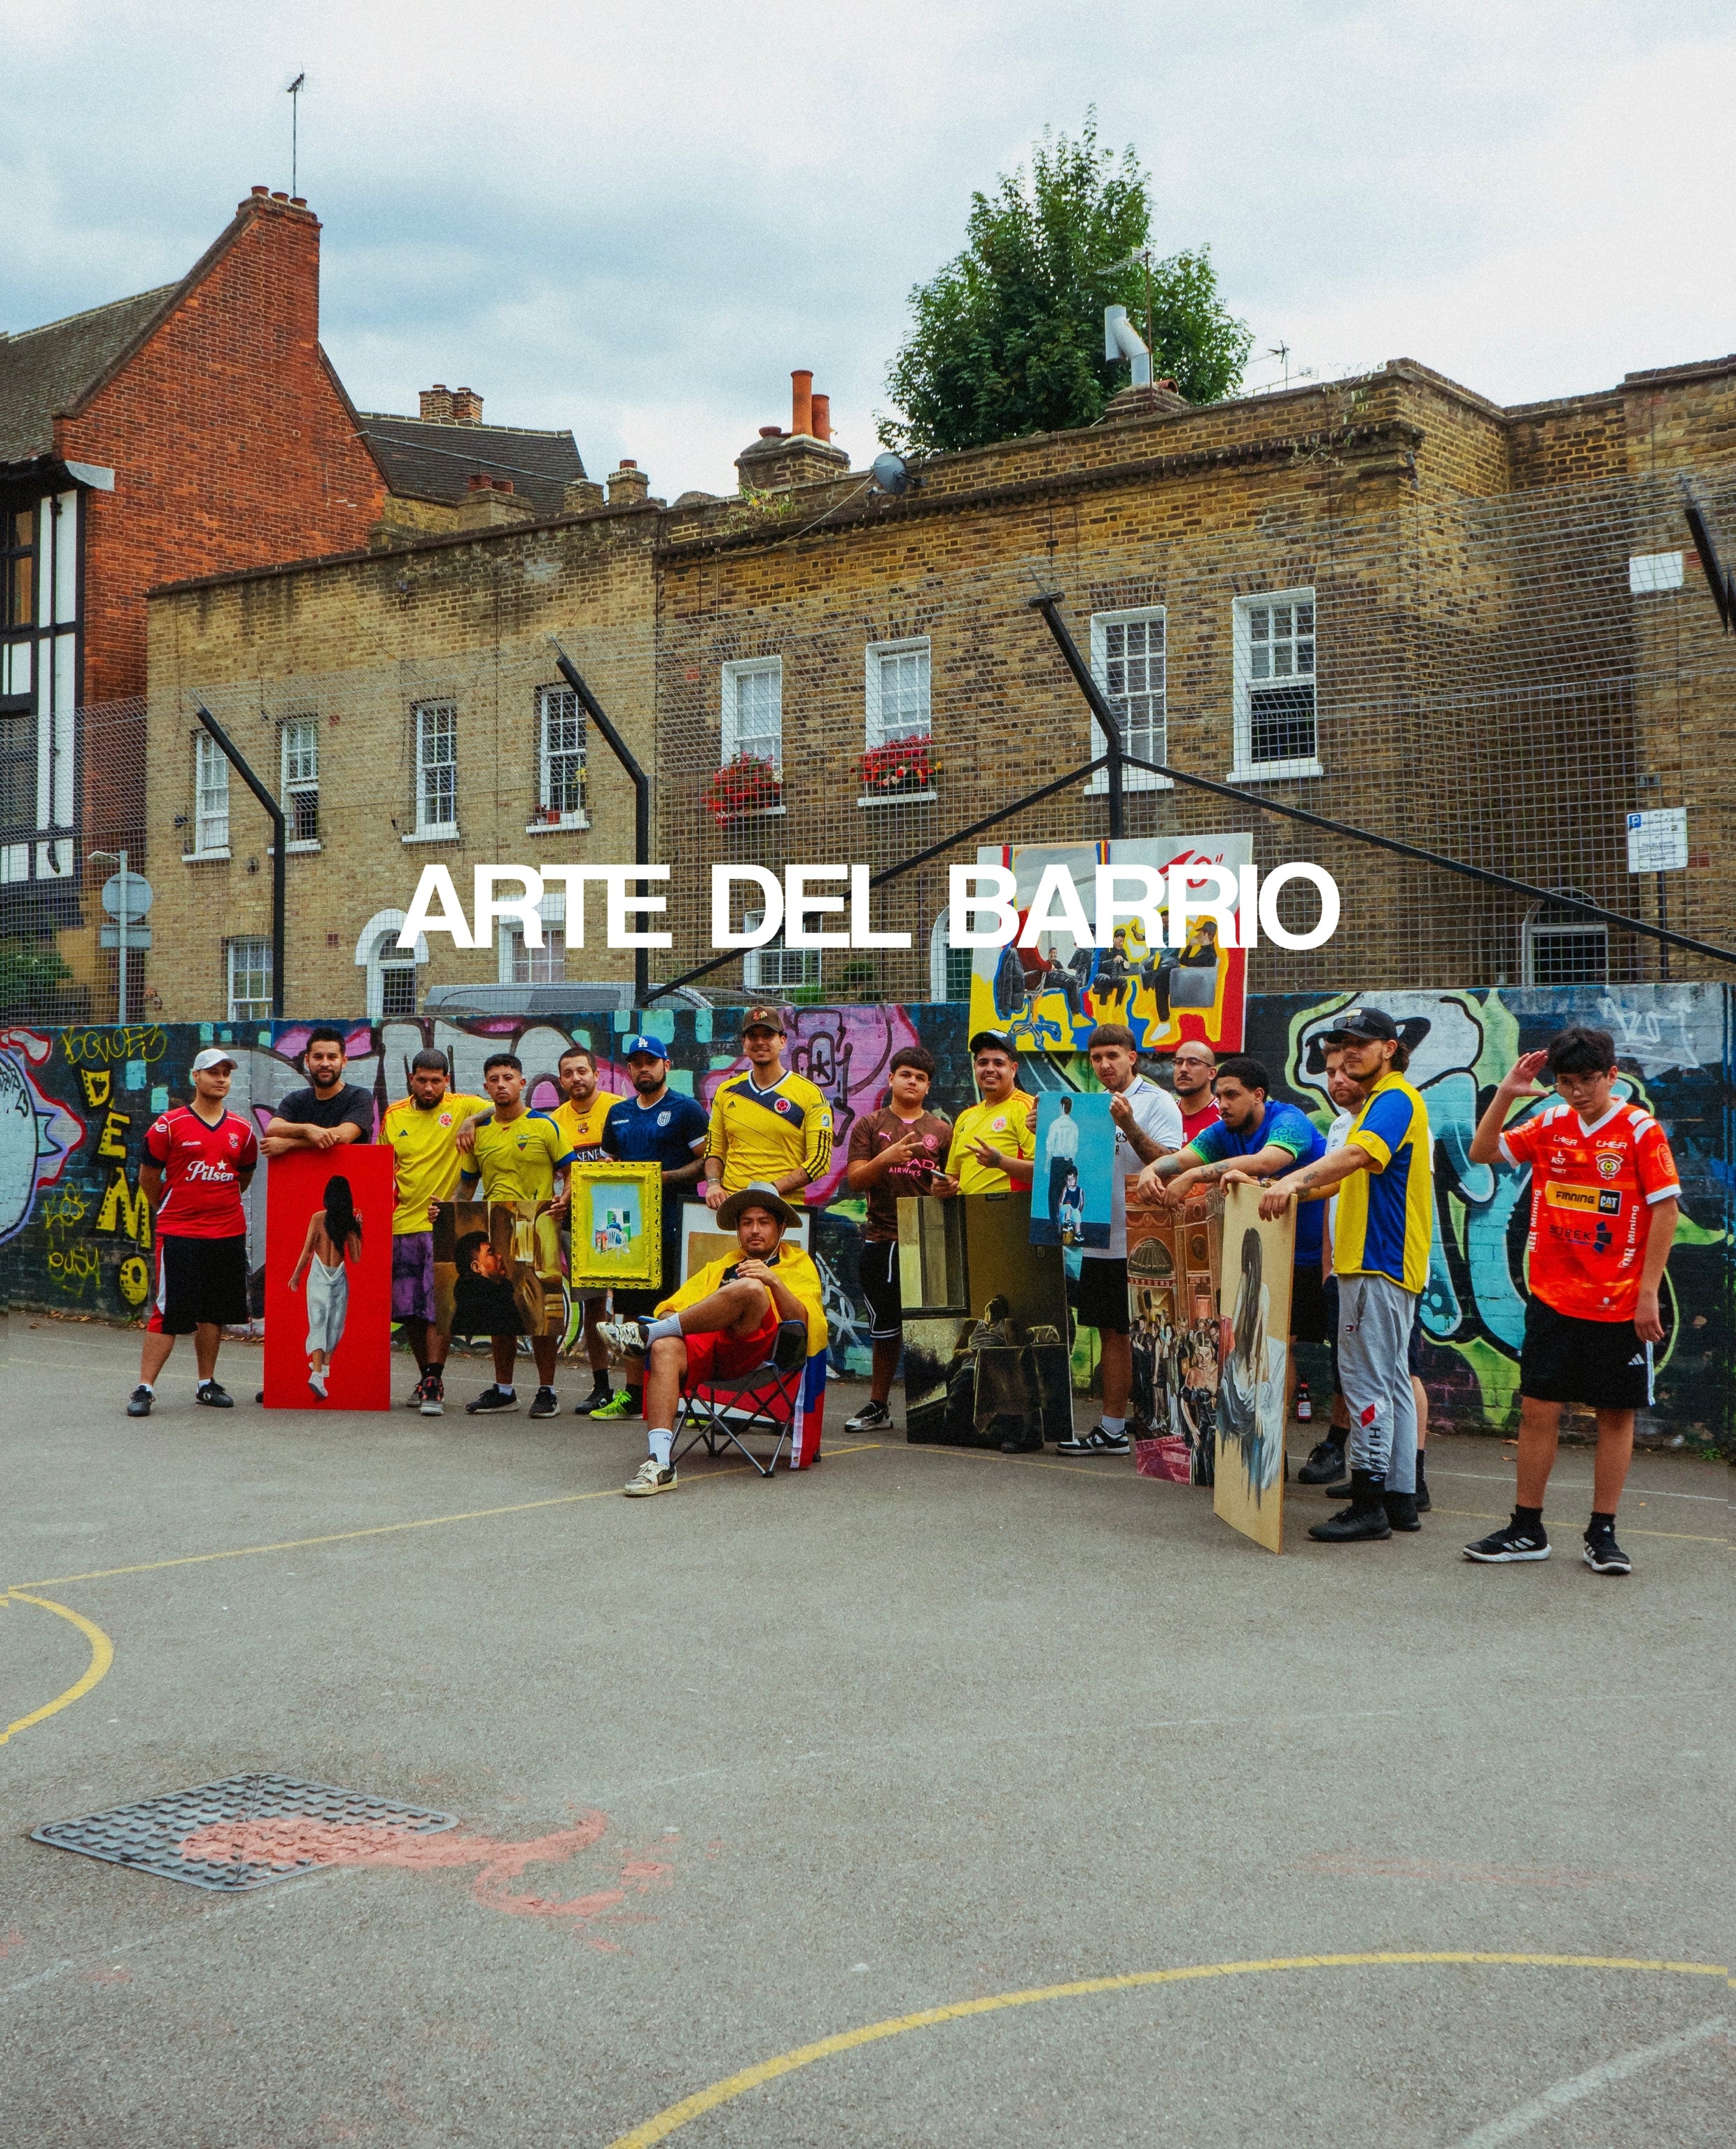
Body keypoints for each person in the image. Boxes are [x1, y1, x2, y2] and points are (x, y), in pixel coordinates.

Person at [1462, 1026, 1680, 1576]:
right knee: (1538, 1410)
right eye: (1566, 1081)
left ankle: (1602, 1532)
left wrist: (1648, 1293)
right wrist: (1507, 1093)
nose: (1577, 1092)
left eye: (1587, 1080)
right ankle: (1526, 1528)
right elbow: (1482, 1151)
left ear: (1612, 1076)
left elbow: (1665, 1209)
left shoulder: (1640, 1130)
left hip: (1619, 1303)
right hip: (1553, 1300)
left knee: (1615, 1416)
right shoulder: (1550, 1122)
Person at [1254, 1008, 1434, 1543]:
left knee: (1366, 1384)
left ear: (1390, 1049)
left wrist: (1289, 1182)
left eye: (1361, 1042)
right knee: (1393, 1382)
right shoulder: (1379, 1103)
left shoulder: (1393, 1099)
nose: (1349, 1052)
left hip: (1375, 1261)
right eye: (1342, 1043)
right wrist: (1285, 1187)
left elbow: (1354, 1156)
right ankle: (1398, 1499)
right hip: (1381, 1263)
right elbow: (1342, 1180)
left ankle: (1368, 1504)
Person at [1135, 1055, 1330, 1424]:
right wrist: (1152, 1170)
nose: (1222, 1104)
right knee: (1259, 1344)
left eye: (1231, 1095)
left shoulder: (1289, 1121)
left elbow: (1268, 1161)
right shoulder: (1223, 1130)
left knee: (1280, 1347)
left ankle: (1282, 1434)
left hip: (1307, 1256)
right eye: (1219, 1096)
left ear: (1258, 1095)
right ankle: (1261, 1436)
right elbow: (1182, 1159)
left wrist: (1196, 1176)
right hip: (1261, 1254)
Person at [604, 1181, 828, 1497]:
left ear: (780, 1228)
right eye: (747, 1222)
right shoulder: (722, 1265)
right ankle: (659, 1462)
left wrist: (774, 1282)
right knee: (665, 1346)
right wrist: (693, 1318)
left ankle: (646, 1334)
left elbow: (804, 1322)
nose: (755, 1230)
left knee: (751, 1288)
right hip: (710, 1352)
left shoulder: (798, 1263)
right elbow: (669, 1309)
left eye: (763, 1222)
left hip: (762, 1355)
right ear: (737, 1229)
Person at [1062, 1023, 1183, 1456]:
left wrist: (1129, 1124)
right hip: (1100, 1235)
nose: (1104, 1064)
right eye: (1096, 1058)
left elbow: (1173, 1164)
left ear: (1132, 1057)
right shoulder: (1088, 1105)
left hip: (1144, 1239)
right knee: (1112, 1333)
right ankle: (1113, 1430)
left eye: (1112, 1055)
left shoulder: (1157, 1101)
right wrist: (1048, 1130)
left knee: (1153, 1336)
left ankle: (1168, 1430)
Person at [127, 1047, 258, 1416]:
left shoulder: (243, 1131)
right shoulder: (168, 1125)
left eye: (226, 1073)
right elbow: (148, 1177)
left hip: (227, 1232)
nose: (221, 1079)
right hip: (180, 1232)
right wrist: (173, 1209)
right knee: (167, 1311)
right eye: (213, 1072)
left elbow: (243, 1179)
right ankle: (144, 1388)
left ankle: (206, 1383)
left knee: (213, 1312)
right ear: (195, 1076)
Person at [589, 1035, 710, 1423]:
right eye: (637, 1062)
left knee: (674, 1309)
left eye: (651, 1061)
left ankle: (684, 1398)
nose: (644, 1068)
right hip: (629, 1230)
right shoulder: (618, 1113)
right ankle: (633, 1396)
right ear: (629, 1069)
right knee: (630, 1311)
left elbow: (707, 1163)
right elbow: (609, 1166)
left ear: (666, 1065)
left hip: (674, 1223)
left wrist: (662, 1177)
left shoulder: (686, 1109)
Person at [455, 1051, 575, 1418]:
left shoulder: (545, 1126)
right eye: (494, 1079)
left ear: (522, 1083)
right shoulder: (480, 1133)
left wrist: (565, 1198)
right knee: (499, 1312)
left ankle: (547, 1391)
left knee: (541, 1313)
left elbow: (571, 1173)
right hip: (497, 1230)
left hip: (540, 1228)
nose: (501, 1085)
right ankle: (504, 1391)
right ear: (486, 1086)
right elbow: (466, 1187)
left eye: (508, 1078)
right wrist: (447, 1213)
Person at [842, 1044, 952, 1434]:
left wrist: (948, 1187)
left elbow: (953, 1183)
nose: (913, 1082)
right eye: (906, 1075)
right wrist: (886, 1158)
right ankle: (879, 1406)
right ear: (891, 1078)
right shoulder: (869, 1125)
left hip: (928, 1238)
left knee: (932, 1329)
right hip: (882, 1238)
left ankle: (933, 1412)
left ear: (928, 1087)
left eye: (921, 1078)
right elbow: (855, 1180)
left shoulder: (942, 1130)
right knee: (886, 1329)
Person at [378, 1048, 486, 1415]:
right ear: (411, 1079)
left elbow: (502, 1106)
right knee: (410, 1312)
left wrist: (471, 1122)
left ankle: (434, 1381)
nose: (428, 1087)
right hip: (401, 1224)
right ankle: (425, 1376)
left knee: (438, 1309)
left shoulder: (464, 1105)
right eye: (422, 1080)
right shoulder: (394, 1115)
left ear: (447, 1081)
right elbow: (380, 1167)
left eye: (436, 1081)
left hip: (444, 1225)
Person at [550, 1043, 627, 1416]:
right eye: (568, 1073)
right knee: (594, 1304)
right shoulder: (555, 1121)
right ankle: (601, 1387)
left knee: (631, 1304)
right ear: (561, 1080)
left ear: (596, 1074)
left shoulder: (619, 1109)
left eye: (582, 1071)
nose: (576, 1078)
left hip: (619, 1217)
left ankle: (640, 1386)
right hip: (577, 1222)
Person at [702, 1005, 834, 1209]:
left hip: (785, 1208)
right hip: (733, 1208)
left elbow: (820, 1161)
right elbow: (714, 1150)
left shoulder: (810, 1093)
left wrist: (770, 1190)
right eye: (752, 1036)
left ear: (782, 1041)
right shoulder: (725, 1091)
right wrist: (713, 1184)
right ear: (744, 1043)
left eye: (768, 1035)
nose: (760, 1042)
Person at [287, 1172, 363, 1399]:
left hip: (324, 1276)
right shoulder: (344, 1222)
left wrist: (296, 1275)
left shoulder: (321, 1218)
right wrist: (358, 1230)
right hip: (332, 1275)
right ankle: (318, 1373)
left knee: (326, 1324)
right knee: (329, 1325)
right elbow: (356, 1258)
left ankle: (323, 1367)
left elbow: (308, 1249)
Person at [940, 1030, 1036, 1195]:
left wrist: (1000, 1161)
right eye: (983, 1063)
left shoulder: (1027, 1108)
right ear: (975, 1067)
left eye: (999, 1063)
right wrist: (942, 1187)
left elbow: (1046, 1172)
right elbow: (953, 1176)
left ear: (1013, 1069)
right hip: (966, 1210)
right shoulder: (965, 1116)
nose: (990, 1069)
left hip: (1010, 1209)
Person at [262, 1026, 373, 1158]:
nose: (325, 1063)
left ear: (343, 1061)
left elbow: (343, 1136)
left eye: (332, 1057)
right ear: (307, 1061)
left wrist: (289, 1143)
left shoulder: (359, 1097)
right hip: (303, 1171)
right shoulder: (295, 1100)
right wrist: (307, 1129)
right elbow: (273, 1128)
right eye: (318, 1057)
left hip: (349, 1171)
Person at [1168, 1042, 1221, 1144]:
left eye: (1193, 1063)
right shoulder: (1165, 1112)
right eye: (1178, 1062)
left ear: (1211, 1073)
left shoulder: (1224, 1116)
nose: (1183, 1069)